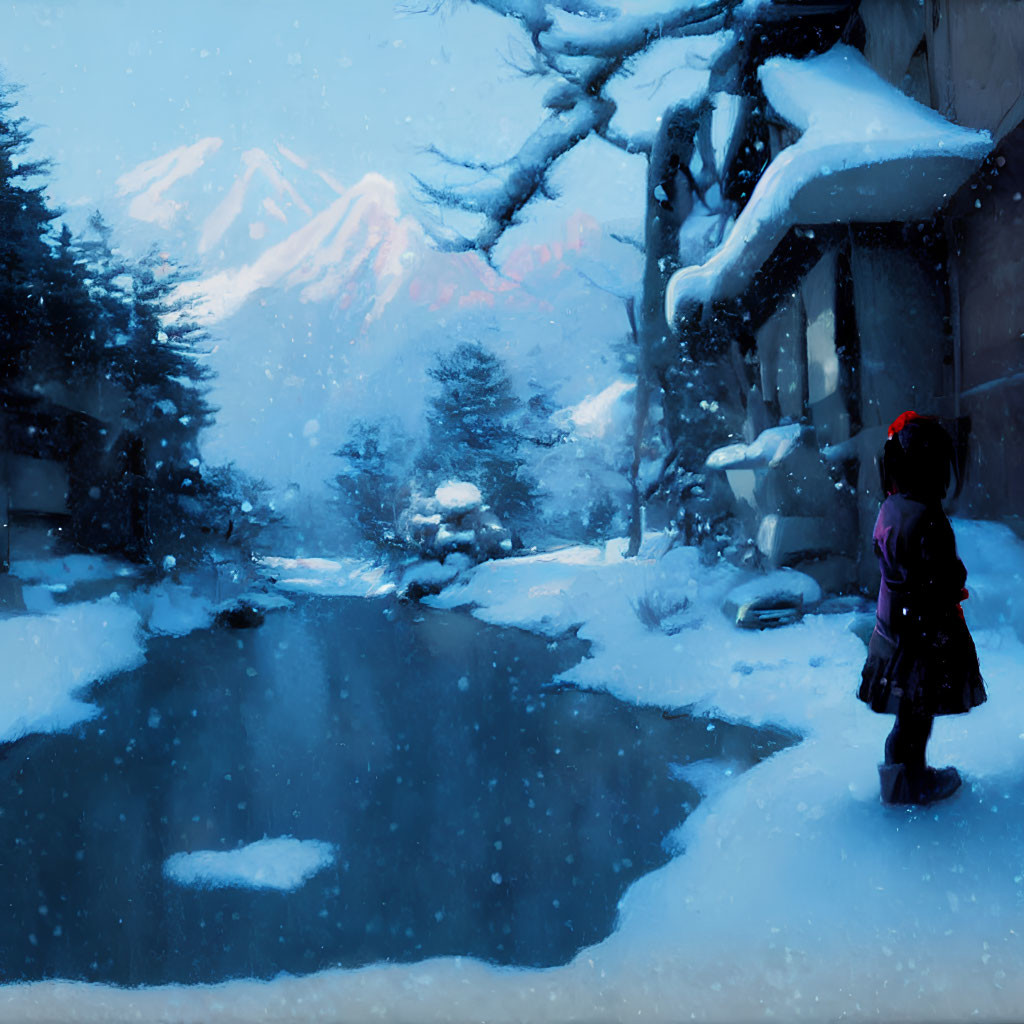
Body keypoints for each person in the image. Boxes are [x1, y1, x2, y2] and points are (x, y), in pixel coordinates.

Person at [858, 411, 986, 805]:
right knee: (917, 714)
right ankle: (908, 782)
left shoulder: (891, 509)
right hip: (922, 634)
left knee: (910, 713)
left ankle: (903, 775)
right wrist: (953, 580)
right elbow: (940, 575)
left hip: (895, 625)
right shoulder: (926, 517)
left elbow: (893, 560)